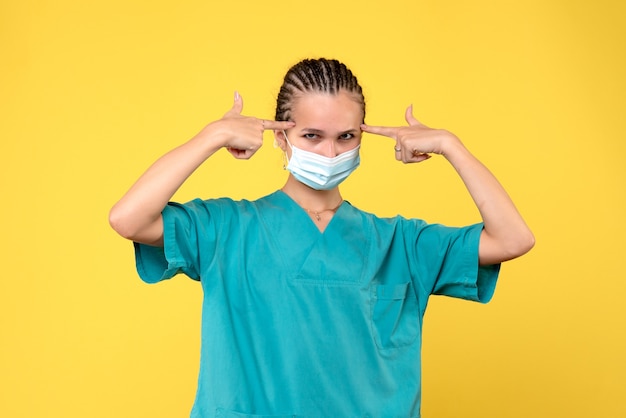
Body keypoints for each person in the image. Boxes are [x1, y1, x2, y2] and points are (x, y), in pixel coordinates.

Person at [109, 58, 534, 418]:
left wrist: (450, 146)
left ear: (362, 136)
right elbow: (128, 218)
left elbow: (513, 239)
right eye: (312, 135)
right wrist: (212, 137)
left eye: (345, 137)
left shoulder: (400, 243)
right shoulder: (225, 229)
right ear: (281, 137)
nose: (330, 154)